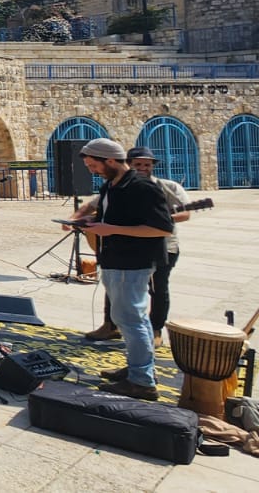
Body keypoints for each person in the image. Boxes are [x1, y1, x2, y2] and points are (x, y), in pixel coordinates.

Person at [68, 138, 175, 401]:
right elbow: (113, 218)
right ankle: (140, 368)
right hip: (114, 260)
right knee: (130, 319)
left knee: (130, 319)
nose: (93, 171)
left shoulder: (142, 187)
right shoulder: (111, 186)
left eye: (95, 166)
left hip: (133, 262)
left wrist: (111, 229)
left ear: (111, 161)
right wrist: (88, 221)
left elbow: (162, 228)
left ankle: (141, 382)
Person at [80, 146, 192, 347]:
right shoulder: (114, 186)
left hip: (156, 249)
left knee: (154, 293)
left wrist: (139, 221)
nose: (143, 168)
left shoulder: (159, 187)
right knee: (118, 298)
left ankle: (154, 333)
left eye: (147, 165)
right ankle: (112, 327)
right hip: (120, 253)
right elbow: (94, 206)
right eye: (138, 164)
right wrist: (82, 219)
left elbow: (174, 220)